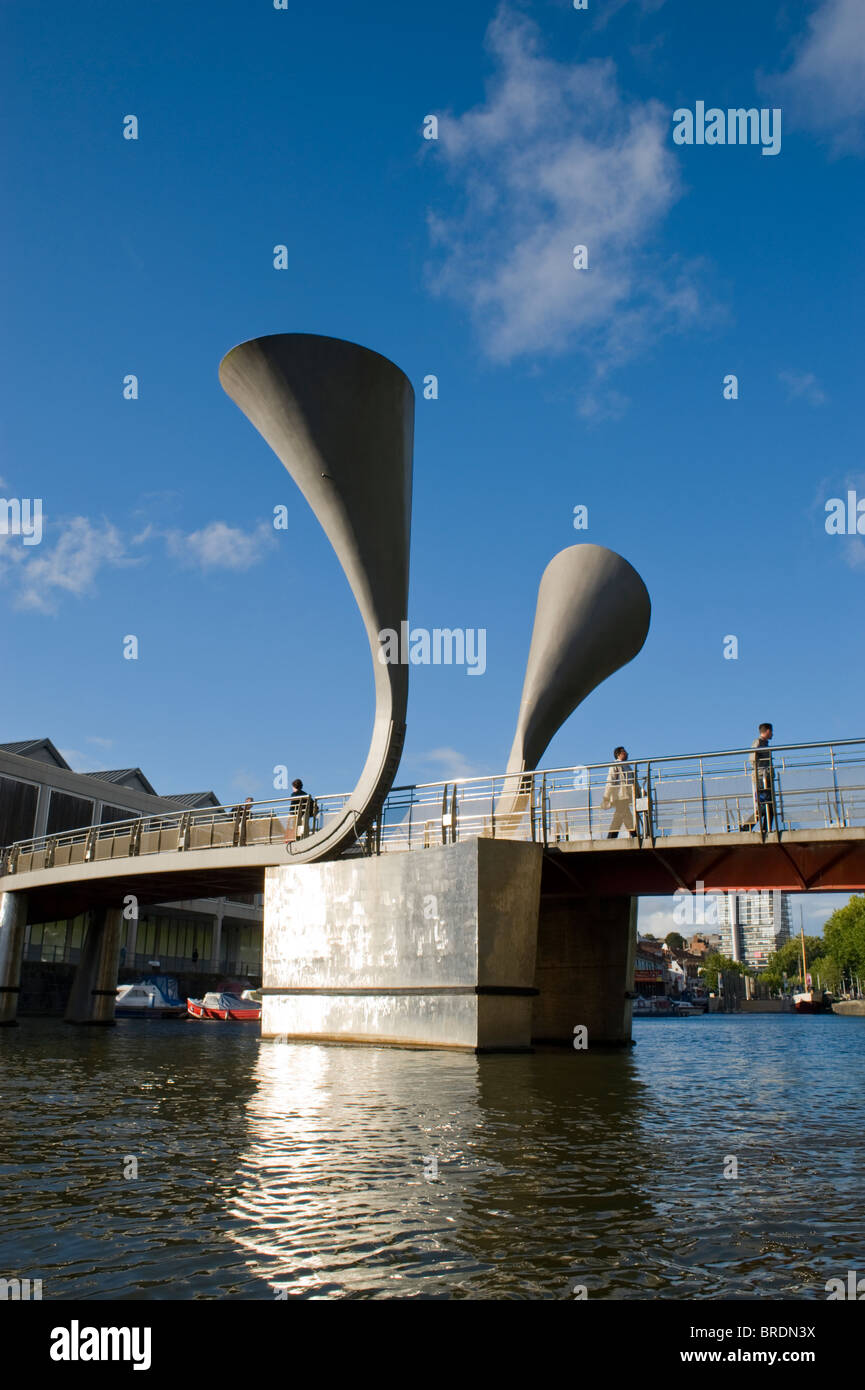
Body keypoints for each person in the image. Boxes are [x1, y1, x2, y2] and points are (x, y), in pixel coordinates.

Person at [602, 746, 637, 838]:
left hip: (627, 796)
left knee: (619, 817)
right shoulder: (615, 765)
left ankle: (611, 838)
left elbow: (634, 782)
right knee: (626, 815)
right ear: (618, 754)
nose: (627, 753)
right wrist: (606, 797)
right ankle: (635, 835)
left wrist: (640, 792)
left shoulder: (628, 767)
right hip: (619, 796)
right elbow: (610, 781)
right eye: (624, 752)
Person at [750, 722, 775, 831]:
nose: (773, 734)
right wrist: (761, 771)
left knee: (768, 806)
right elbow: (752, 758)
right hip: (761, 778)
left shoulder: (765, 743)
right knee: (765, 805)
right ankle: (748, 827)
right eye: (771, 731)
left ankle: (765, 828)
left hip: (766, 777)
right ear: (768, 731)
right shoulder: (758, 742)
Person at [285, 778, 314, 846]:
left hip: (296, 816)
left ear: (294, 787)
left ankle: (290, 839)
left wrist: (290, 815)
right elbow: (312, 803)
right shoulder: (305, 794)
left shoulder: (294, 794)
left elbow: (292, 807)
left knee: (291, 824)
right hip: (304, 816)